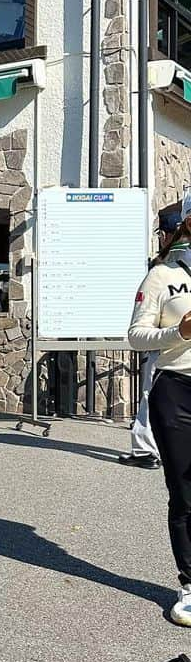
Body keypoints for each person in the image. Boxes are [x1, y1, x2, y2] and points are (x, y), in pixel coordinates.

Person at [128, 191, 191, 625]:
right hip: (178, 391)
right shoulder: (161, 277)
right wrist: (181, 332)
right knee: (186, 493)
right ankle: (190, 586)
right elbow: (135, 336)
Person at [120, 208, 182, 470]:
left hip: (163, 344)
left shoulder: (161, 268)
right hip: (167, 341)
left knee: (151, 394)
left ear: (167, 235)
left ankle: (146, 450)